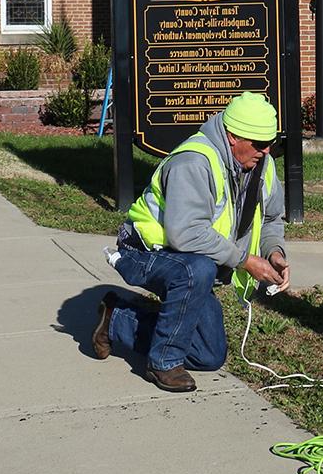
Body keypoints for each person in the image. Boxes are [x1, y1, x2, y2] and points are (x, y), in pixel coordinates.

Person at [92, 92, 289, 391]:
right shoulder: (194, 161)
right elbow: (186, 233)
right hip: (143, 252)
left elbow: (273, 219)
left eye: (271, 143)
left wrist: (274, 252)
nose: (266, 151)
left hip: (192, 263)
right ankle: (163, 364)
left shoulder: (264, 166)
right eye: (259, 144)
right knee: (196, 270)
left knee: (208, 355)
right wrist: (245, 261)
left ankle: (116, 319)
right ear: (233, 136)